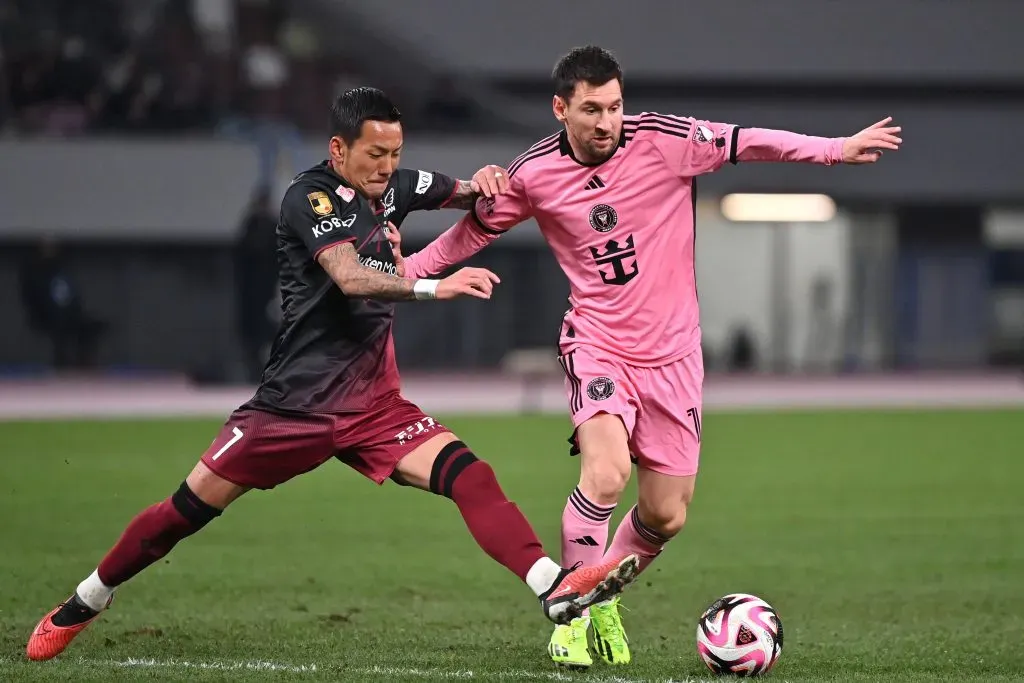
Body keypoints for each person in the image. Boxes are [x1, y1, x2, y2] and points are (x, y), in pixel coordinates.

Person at [26, 87, 638, 663]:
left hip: (374, 406)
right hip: (294, 407)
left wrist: (484, 183)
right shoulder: (308, 198)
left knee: (470, 476)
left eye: (395, 153)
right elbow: (350, 277)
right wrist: (432, 285)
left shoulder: (394, 185)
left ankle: (552, 588)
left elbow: (468, 195)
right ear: (339, 149)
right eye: (375, 154)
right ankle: (86, 600)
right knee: (183, 512)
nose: (386, 166)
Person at [401, 46, 902, 668]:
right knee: (606, 473)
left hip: (675, 357)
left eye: (614, 106)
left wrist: (832, 148)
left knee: (666, 515)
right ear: (561, 109)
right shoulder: (531, 174)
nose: (607, 120)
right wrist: (397, 276)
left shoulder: (665, 139)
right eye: (591, 109)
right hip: (598, 344)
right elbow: (467, 233)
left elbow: (751, 141)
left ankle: (603, 590)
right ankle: (572, 616)